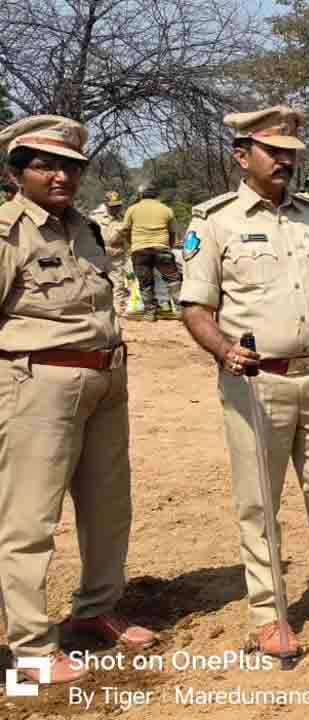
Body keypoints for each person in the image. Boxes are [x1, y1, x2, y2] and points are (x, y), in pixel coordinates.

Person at [178, 106, 309, 657]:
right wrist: (224, 351)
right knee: (260, 503)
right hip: (256, 384)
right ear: (242, 157)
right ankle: (270, 615)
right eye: (275, 153)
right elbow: (196, 308)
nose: (286, 162)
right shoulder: (214, 220)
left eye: (292, 154)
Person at [0, 115, 156, 685]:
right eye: (46, 164)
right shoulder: (8, 233)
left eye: (71, 166)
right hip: (37, 385)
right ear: (18, 173)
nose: (61, 175)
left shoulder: (87, 230)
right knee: (29, 520)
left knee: (108, 507)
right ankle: (32, 647)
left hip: (106, 381)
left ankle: (95, 610)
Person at [120, 183, 181, 321]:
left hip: (140, 250)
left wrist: (133, 244)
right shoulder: (166, 209)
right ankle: (179, 310)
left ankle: (149, 313)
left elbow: (125, 230)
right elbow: (172, 232)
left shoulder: (132, 209)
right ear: (156, 194)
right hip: (162, 249)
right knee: (172, 279)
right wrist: (168, 247)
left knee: (145, 282)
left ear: (140, 194)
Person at [90, 191, 130, 315]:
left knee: (118, 283)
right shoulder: (94, 217)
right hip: (98, 254)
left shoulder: (123, 219)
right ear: (106, 204)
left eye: (118, 205)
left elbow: (128, 237)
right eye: (112, 206)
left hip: (116, 256)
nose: (115, 208)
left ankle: (118, 308)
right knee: (96, 282)